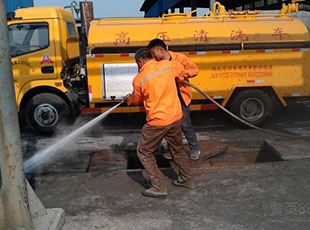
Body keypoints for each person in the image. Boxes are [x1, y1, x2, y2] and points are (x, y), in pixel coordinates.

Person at [125, 48, 194, 198]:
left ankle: (158, 186)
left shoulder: (139, 78)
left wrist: (128, 99)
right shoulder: (167, 65)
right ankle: (186, 179)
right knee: (177, 149)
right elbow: (184, 68)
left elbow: (136, 100)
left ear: (140, 61)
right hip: (175, 117)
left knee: (144, 151)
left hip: (157, 122)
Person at [148, 39, 201, 161]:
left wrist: (182, 74)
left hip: (182, 97)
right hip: (168, 99)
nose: (153, 56)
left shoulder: (180, 58)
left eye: (154, 53)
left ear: (160, 50)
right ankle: (174, 152)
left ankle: (195, 149)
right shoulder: (157, 63)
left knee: (185, 124)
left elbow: (195, 70)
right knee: (170, 127)